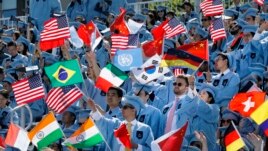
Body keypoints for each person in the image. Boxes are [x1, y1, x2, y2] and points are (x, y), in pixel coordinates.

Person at [88, 95, 154, 151]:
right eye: (122, 107)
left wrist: (136, 146)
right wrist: (94, 110)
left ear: (133, 110)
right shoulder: (116, 124)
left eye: (125, 107)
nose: (121, 109)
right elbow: (103, 121)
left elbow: (151, 149)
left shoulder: (145, 129)